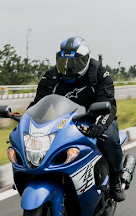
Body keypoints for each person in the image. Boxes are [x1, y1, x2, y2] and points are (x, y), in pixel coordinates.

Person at [27, 36, 125, 202]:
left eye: (74, 63)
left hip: (96, 118)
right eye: (64, 63)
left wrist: (100, 125)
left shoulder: (100, 74)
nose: (68, 68)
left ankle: (116, 180)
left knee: (110, 139)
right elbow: (39, 104)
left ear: (85, 60)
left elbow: (107, 102)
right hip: (61, 122)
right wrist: (27, 121)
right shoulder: (51, 77)